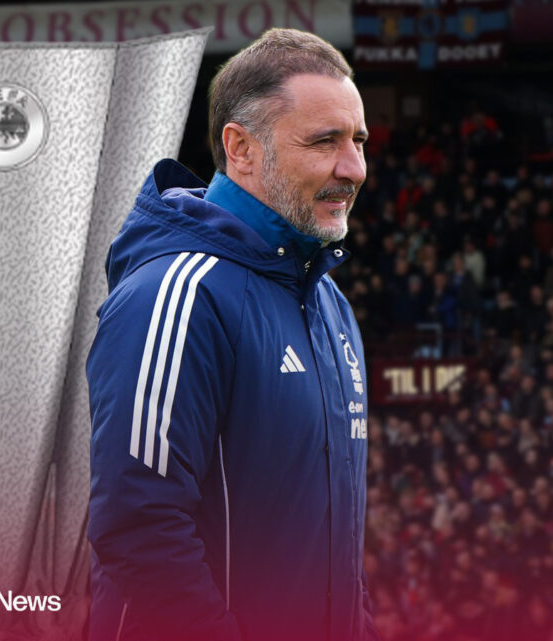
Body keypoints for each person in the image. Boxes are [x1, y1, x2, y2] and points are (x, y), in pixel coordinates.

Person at [86, 29, 377, 641]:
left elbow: (341, 545)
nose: (353, 168)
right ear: (241, 149)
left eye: (358, 141)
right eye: (324, 141)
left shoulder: (331, 305)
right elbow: (139, 527)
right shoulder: (177, 295)